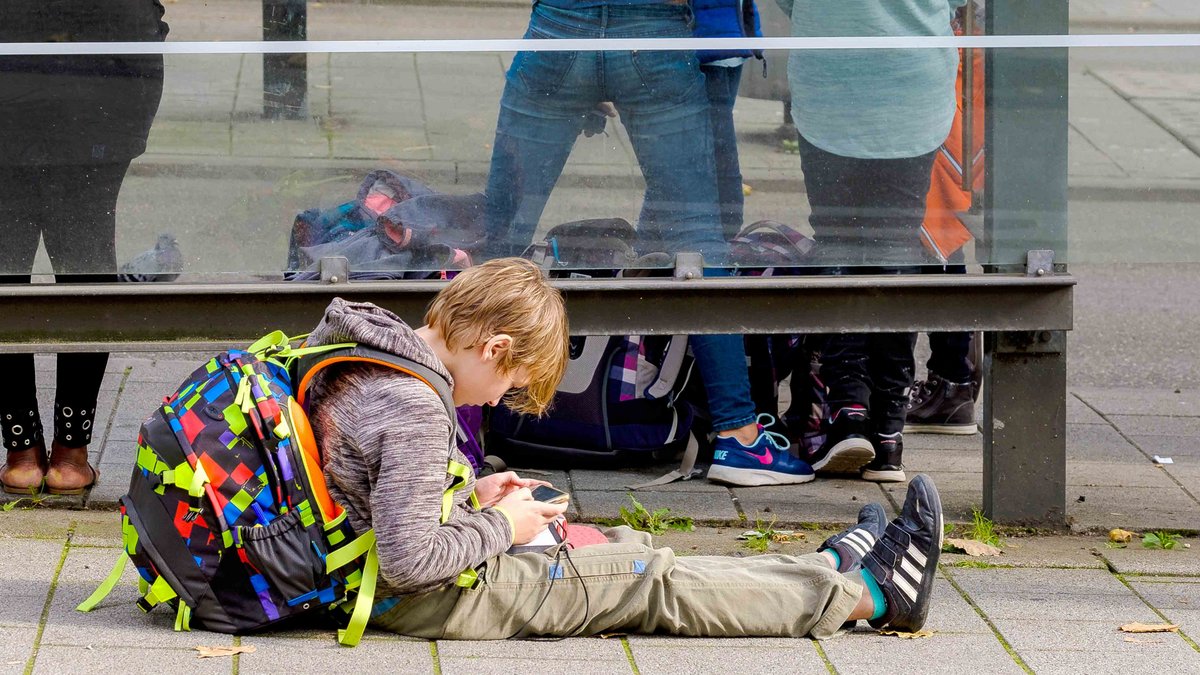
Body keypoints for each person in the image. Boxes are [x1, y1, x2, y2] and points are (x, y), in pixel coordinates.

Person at [303, 257, 945, 639]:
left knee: (630, 552)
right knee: (649, 582)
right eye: (511, 384)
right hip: (418, 598)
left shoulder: (368, 354)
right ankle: (873, 593)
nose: (496, 400)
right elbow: (410, 562)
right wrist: (503, 523)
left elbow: (365, 484)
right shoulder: (414, 404)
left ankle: (828, 567)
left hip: (372, 574)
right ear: (496, 346)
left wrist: (469, 495)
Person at [482, 0, 812, 487]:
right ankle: (738, 437)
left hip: (558, 22)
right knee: (697, 237)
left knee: (501, 231)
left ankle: (458, 427)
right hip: (654, 26)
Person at [778, 0, 966, 483]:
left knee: (837, 240)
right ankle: (888, 433)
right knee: (897, 248)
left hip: (831, 71)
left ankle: (848, 411)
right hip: (913, 75)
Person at [0, 0, 168, 494]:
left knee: (4, 267)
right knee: (86, 262)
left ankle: (21, 451)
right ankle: (71, 456)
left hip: (12, 75)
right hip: (103, 86)